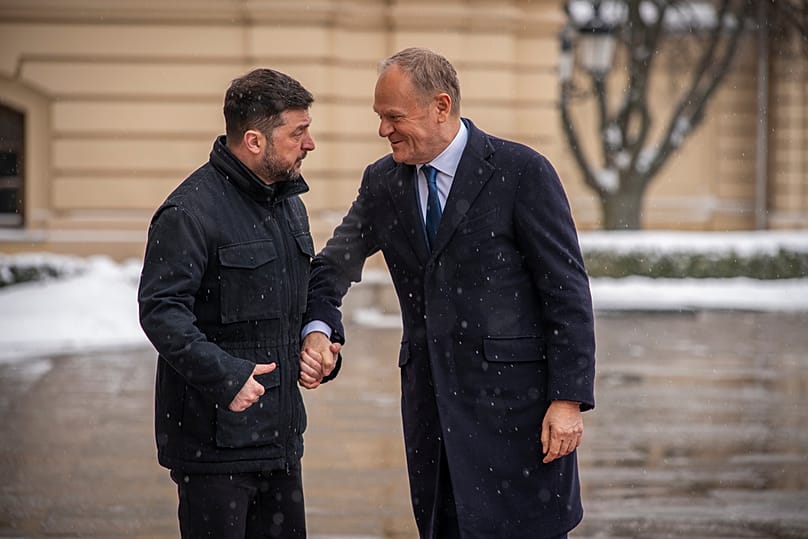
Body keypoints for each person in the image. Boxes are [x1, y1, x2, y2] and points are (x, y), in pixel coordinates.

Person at [299, 47, 596, 539]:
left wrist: (568, 400)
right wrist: (317, 328)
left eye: (394, 117)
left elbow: (566, 294)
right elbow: (331, 268)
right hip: (432, 419)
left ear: (441, 106)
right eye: (379, 117)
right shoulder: (383, 183)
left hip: (520, 418)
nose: (383, 130)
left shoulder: (522, 171)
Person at [138, 67, 332, 539]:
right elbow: (161, 311)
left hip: (281, 444)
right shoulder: (188, 212)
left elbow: (303, 290)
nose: (309, 144)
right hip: (214, 449)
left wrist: (320, 336)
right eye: (298, 133)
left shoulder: (288, 203)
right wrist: (225, 376)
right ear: (254, 141)